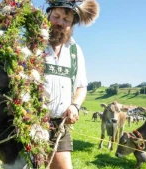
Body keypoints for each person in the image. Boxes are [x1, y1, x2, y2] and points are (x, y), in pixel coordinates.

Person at [44, 0, 99, 168]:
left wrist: (75, 106)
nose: (60, 22)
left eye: (66, 20)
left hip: (58, 126)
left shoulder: (75, 51)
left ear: (72, 24)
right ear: (48, 16)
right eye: (56, 16)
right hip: (27, 122)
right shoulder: (32, 44)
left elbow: (81, 86)